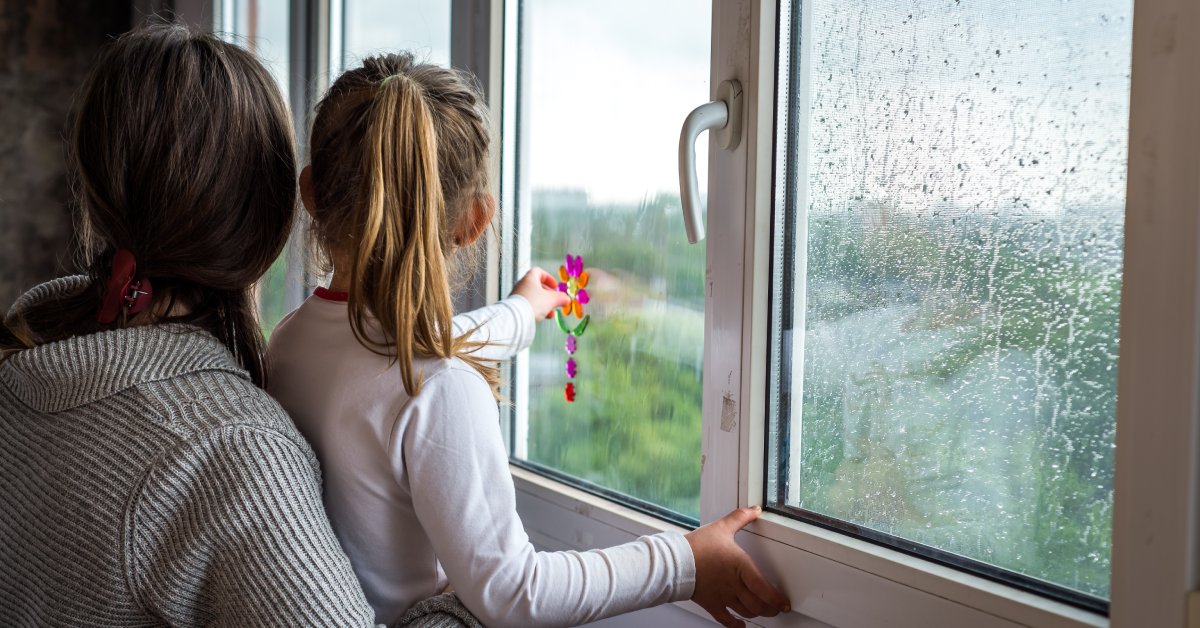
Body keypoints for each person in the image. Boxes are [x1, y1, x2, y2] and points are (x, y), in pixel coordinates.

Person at [266, 52, 791, 628]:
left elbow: (414, 352)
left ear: (311, 193)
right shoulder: (438, 390)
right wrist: (684, 563)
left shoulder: (290, 342)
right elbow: (515, 594)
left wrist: (521, 312)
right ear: (475, 221)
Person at [0, 24, 387, 626]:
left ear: (97, 184)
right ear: (268, 215)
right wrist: (458, 606)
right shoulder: (229, 450)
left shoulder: (29, 338)